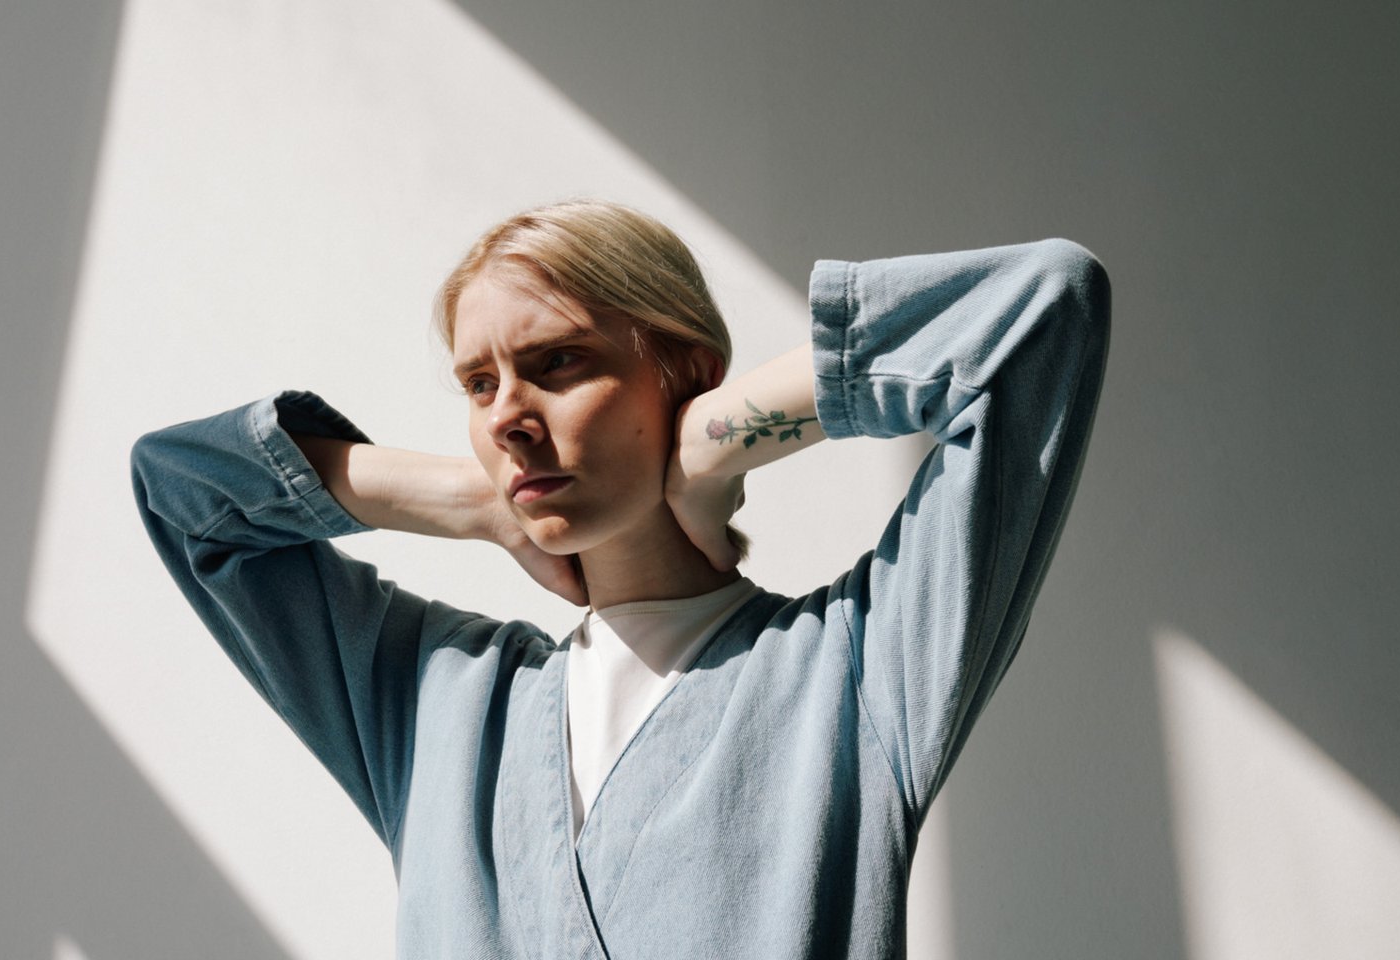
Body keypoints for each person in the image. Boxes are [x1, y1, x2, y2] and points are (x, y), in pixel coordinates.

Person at [130, 199, 1110, 959]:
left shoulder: (858, 670)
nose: (508, 417)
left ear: (684, 370)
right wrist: (470, 501)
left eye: (557, 362)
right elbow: (182, 491)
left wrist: (717, 440)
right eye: (479, 384)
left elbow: (1041, 306)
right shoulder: (437, 704)